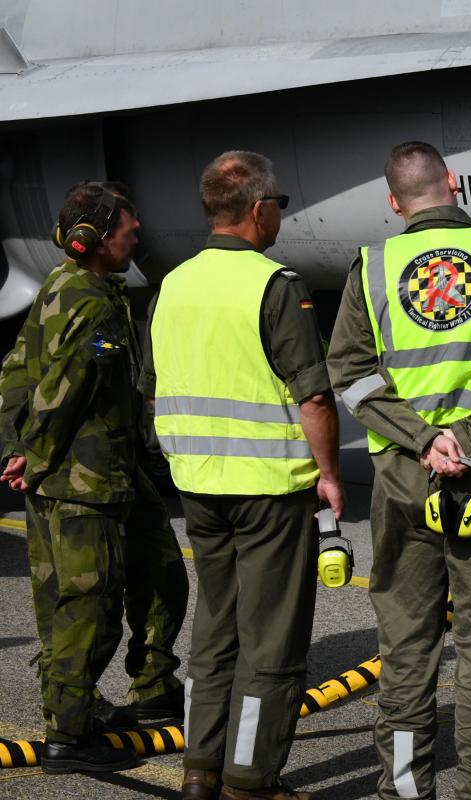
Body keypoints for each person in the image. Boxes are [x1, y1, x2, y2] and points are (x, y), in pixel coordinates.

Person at [327, 141, 471, 800]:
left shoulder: (372, 268)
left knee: (405, 642)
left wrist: (425, 440)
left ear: (394, 203)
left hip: (403, 474)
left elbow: (349, 372)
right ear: (453, 185)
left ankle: (401, 791)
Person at [142, 151, 343, 800]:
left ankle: (201, 768)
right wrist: (331, 473)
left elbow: (152, 390)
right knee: (272, 644)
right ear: (258, 210)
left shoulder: (173, 283)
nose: (279, 214)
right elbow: (313, 397)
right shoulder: (274, 284)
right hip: (267, 490)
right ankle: (252, 778)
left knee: (216, 628)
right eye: (278, 204)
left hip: (197, 485)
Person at [0, 182, 189, 774]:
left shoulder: (66, 287)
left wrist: (16, 447)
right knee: (86, 605)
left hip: (113, 472)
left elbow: (14, 370)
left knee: (161, 573)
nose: (137, 236)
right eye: (127, 229)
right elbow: (65, 387)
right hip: (83, 481)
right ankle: (69, 732)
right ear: (96, 239)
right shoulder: (89, 300)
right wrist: (32, 450)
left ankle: (154, 685)